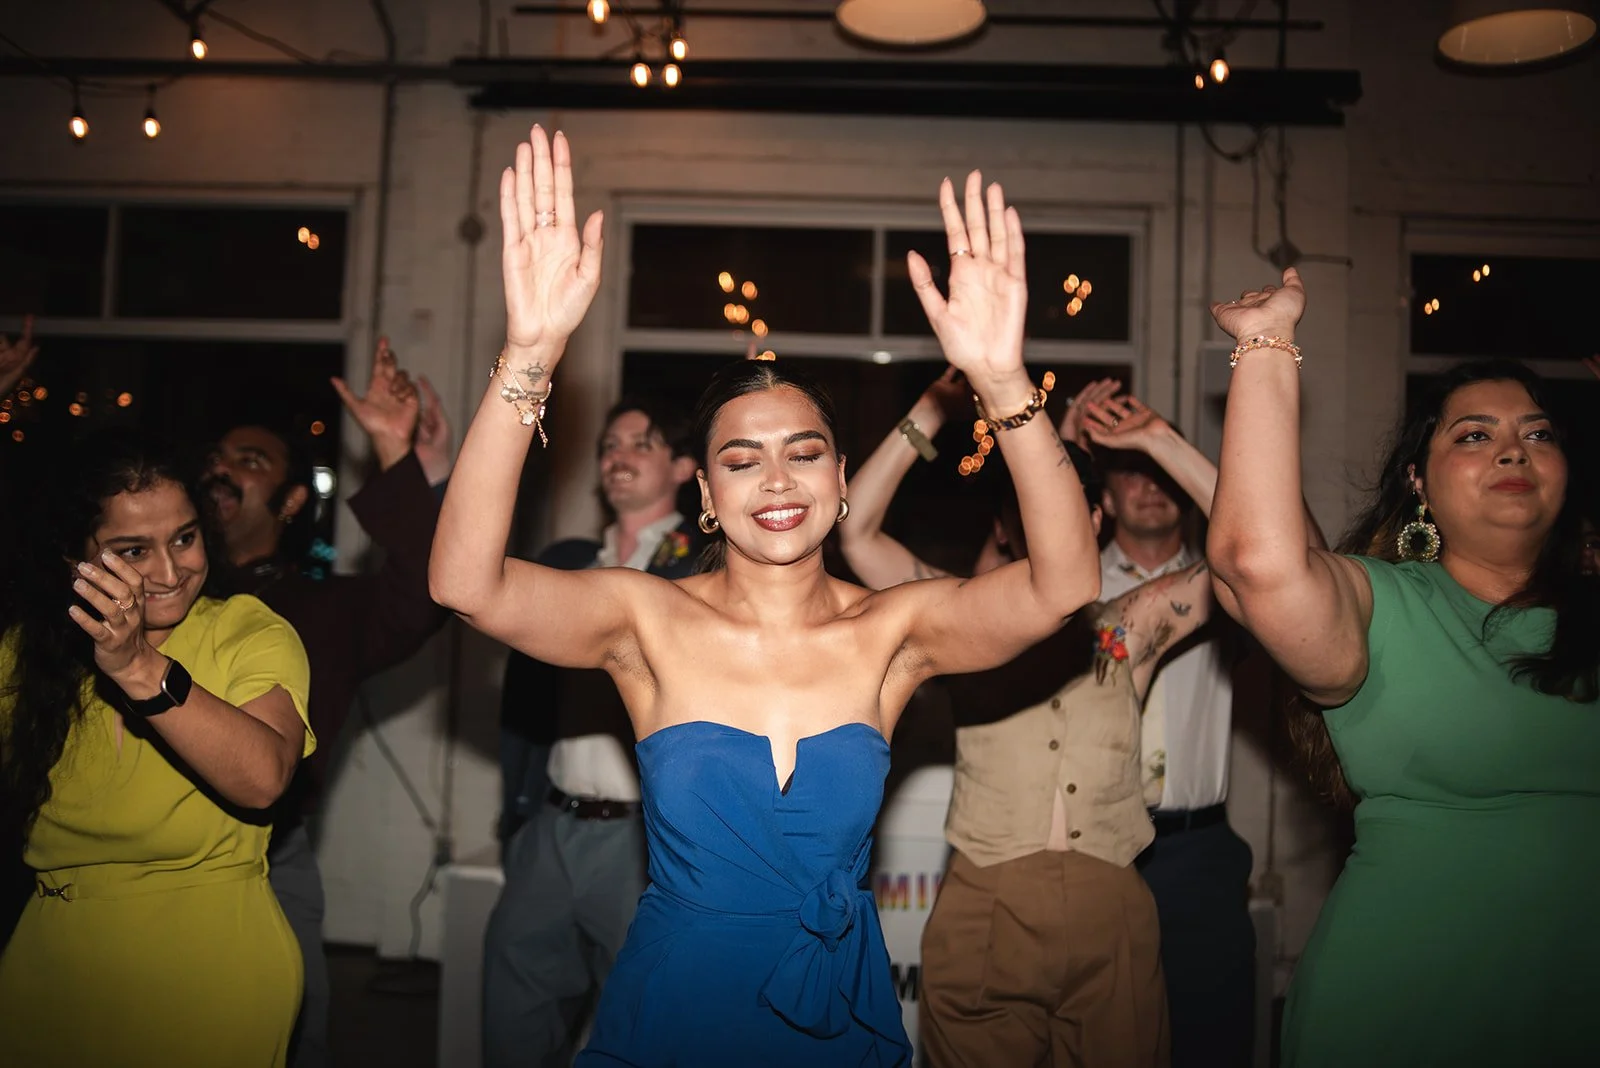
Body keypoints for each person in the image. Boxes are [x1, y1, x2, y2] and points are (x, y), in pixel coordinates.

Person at [430, 125, 1102, 1066]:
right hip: (678, 1012)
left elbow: (1066, 582)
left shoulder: (895, 630)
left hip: (840, 1013)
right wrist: (530, 352)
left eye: (805, 454)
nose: (776, 482)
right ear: (706, 496)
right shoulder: (646, 617)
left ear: (837, 482)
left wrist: (999, 378)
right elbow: (463, 582)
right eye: (741, 461)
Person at [1205, 269, 1599, 1067]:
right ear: (1418, 482)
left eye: (1539, 432)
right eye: (1473, 434)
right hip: (1403, 1009)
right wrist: (1266, 344)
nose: (1513, 449)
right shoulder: (1379, 604)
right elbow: (1257, 564)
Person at [843, 376, 1237, 1067]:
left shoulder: (1134, 624)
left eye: (1068, 507)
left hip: (1113, 904)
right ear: (1011, 522)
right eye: (1030, 505)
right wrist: (932, 408)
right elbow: (857, 531)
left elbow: (1261, 556)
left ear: (1093, 521)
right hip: (984, 902)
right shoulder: (958, 616)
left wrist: (1158, 440)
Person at [0, 431, 314, 1067]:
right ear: (74, 559)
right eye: (133, 550)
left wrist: (138, 665)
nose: (171, 573)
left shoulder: (244, 630)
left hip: (209, 964)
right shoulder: (22, 655)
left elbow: (263, 778)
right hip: (54, 965)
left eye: (185, 538)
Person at [203, 337, 453, 1068]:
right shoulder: (157, 597)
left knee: (289, 1037)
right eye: (216, 459)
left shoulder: (321, 609)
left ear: (287, 501)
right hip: (141, 861)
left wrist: (392, 452)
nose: (223, 471)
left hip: (268, 859)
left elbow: (424, 594)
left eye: (250, 462)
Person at [484, 395, 706, 1068]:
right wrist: (516, 813)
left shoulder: (705, 566)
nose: (618, 455)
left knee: (642, 1029)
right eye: (609, 445)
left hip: (645, 840)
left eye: (641, 442)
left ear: (684, 467)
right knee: (511, 1016)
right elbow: (522, 700)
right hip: (551, 822)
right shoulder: (568, 558)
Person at [1063, 375, 1258, 1068]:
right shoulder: (1067, 584)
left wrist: (1160, 441)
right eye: (1128, 470)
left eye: (1159, 471)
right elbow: (1025, 534)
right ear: (1105, 493)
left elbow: (1292, 556)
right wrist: (1064, 445)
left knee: (1209, 1044)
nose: (1148, 485)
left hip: (1195, 852)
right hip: (1092, 851)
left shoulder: (1225, 587)